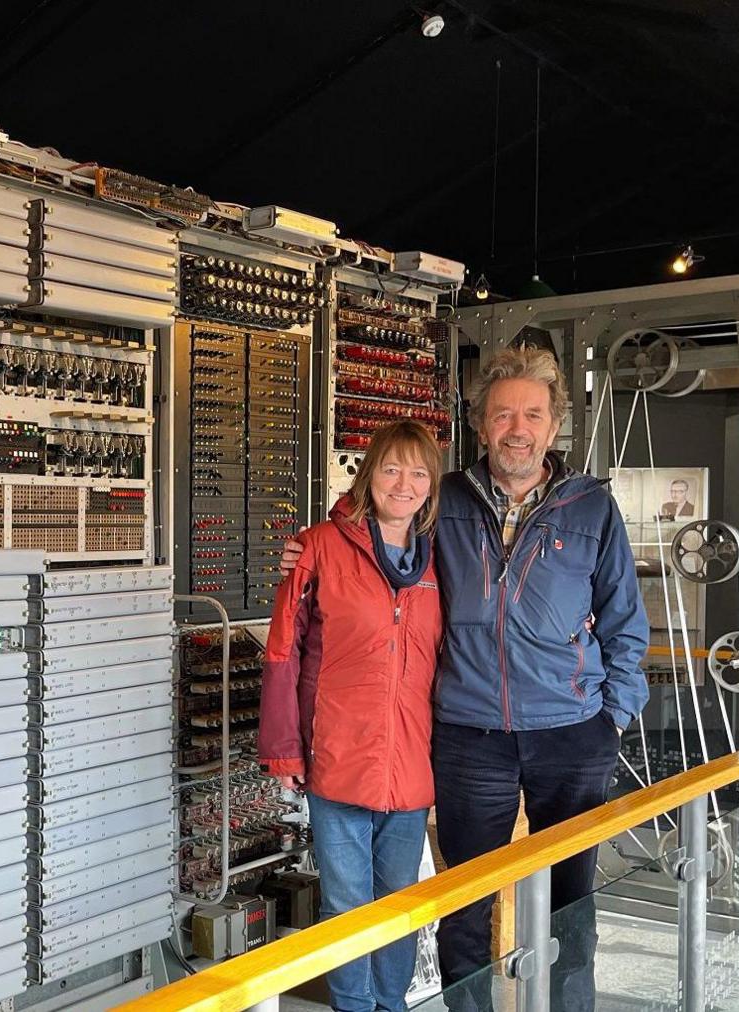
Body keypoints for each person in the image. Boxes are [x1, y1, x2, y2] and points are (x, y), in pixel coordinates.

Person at [282, 346, 648, 1012]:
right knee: (465, 905)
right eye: (503, 413)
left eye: (532, 414)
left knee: (572, 902)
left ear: (553, 424)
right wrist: (318, 538)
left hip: (571, 734)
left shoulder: (591, 508)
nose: (517, 427)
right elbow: (379, 518)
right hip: (469, 736)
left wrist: (612, 717)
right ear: (480, 426)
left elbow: (626, 621)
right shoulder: (442, 500)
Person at [261, 420, 444, 1012]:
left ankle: (390, 1006)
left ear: (431, 485)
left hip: (411, 764)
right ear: (369, 474)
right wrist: (283, 746)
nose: (404, 483)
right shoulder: (316, 547)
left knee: (400, 904)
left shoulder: (441, 559)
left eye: (419, 472)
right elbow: (282, 652)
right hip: (338, 757)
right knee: (346, 906)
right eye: (392, 468)